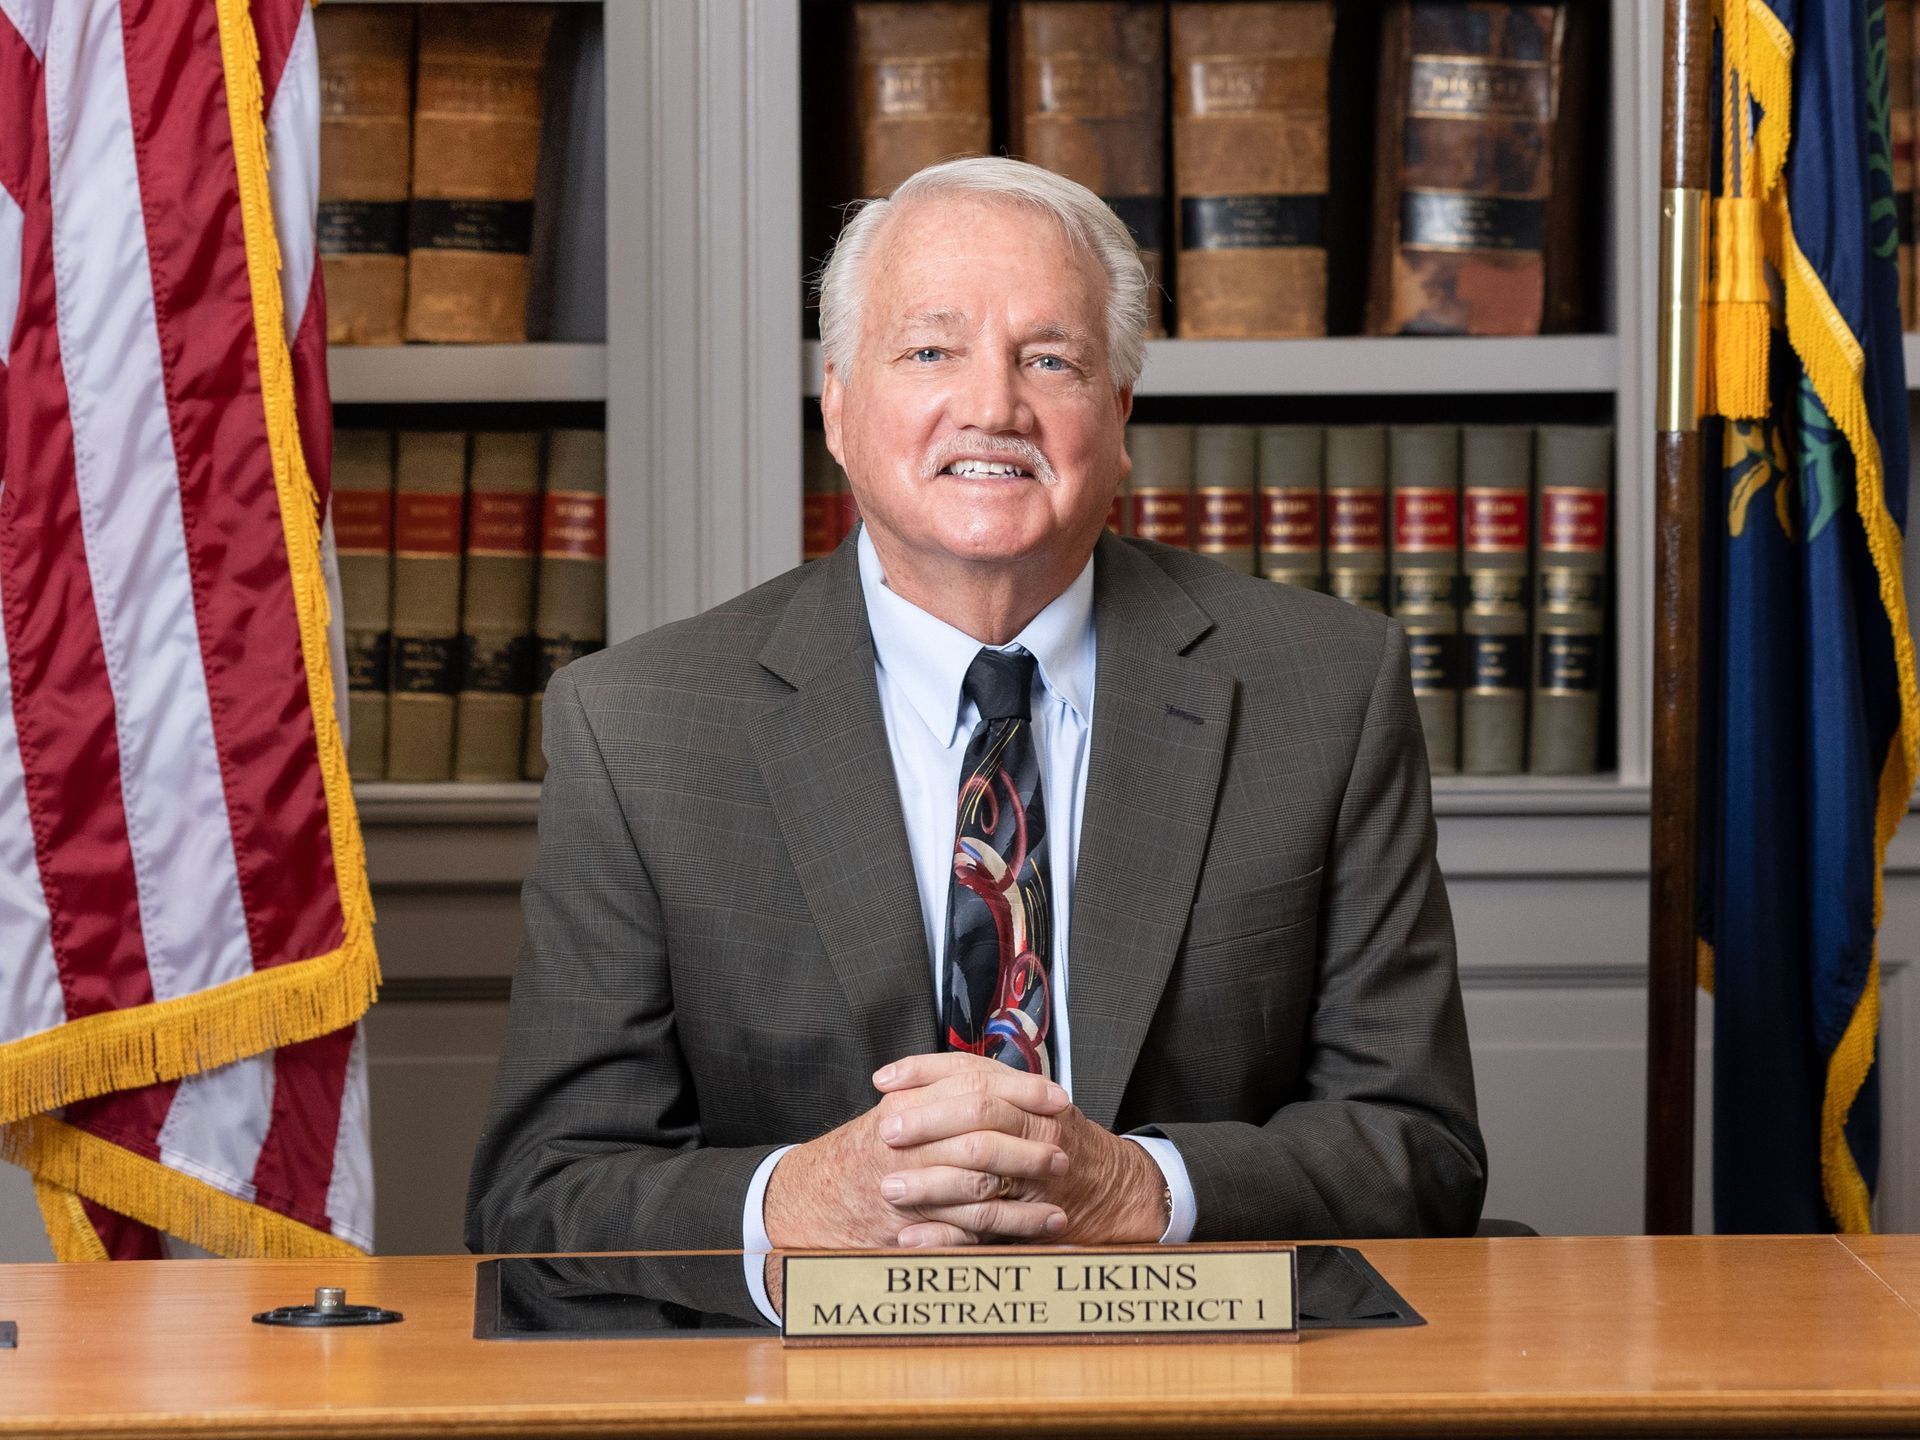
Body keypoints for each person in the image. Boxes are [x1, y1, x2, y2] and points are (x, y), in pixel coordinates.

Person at [466, 157, 1486, 1321]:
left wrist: (1143, 1190)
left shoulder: (1325, 692)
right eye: (930, 352)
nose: (994, 407)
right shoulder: (639, 725)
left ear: (1119, 416)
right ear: (840, 405)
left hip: (1202, 1382)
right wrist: (796, 1202)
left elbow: (1421, 1145)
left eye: (1049, 359)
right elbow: (541, 1199)